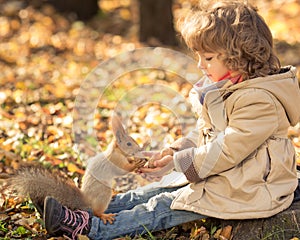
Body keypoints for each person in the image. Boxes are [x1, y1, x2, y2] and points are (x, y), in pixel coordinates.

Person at [43, 0, 300, 239]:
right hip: (226, 178)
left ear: (239, 56)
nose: (200, 64)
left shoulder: (259, 100)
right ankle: (79, 208)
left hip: (248, 188)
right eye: (198, 55)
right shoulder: (227, 89)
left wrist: (179, 163)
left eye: (208, 58)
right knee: (151, 192)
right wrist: (175, 152)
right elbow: (206, 134)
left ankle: (90, 227)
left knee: (161, 206)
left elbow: (228, 149)